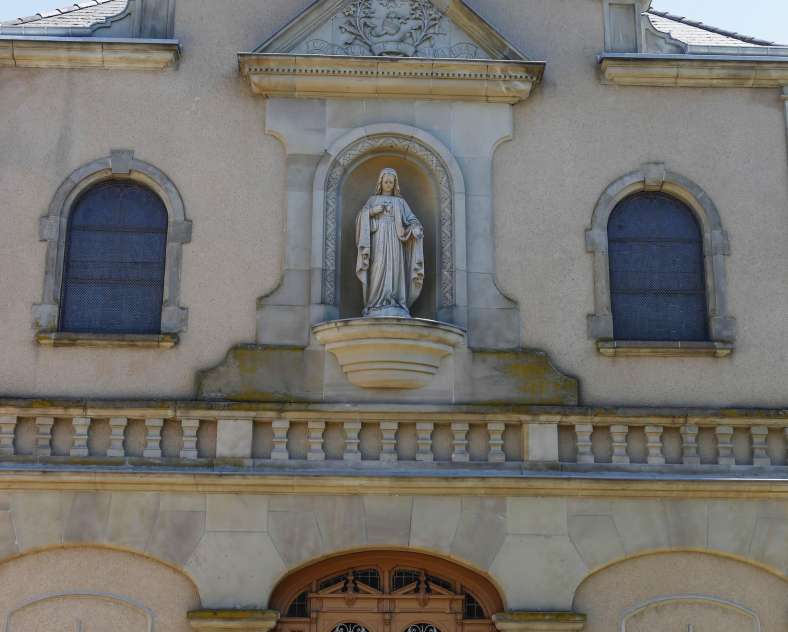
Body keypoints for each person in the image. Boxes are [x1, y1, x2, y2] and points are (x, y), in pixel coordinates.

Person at [356, 168, 425, 317]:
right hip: (378, 239)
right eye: (386, 181)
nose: (388, 184)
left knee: (395, 268)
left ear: (395, 184)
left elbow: (412, 219)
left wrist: (415, 228)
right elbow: (361, 217)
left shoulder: (400, 202)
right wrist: (375, 210)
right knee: (378, 267)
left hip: (396, 240)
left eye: (391, 182)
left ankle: (395, 301)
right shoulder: (373, 200)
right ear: (381, 182)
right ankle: (375, 303)